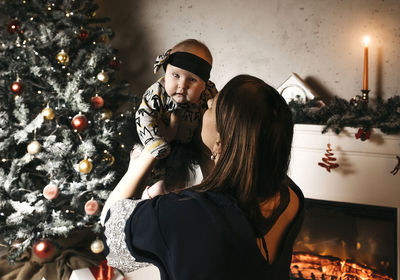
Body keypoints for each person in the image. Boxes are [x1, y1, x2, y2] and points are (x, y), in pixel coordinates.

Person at [101, 75, 304, 280]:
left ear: (220, 143)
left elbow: (111, 233)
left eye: (213, 107)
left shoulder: (189, 212)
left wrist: (152, 147)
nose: (207, 101)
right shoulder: (291, 196)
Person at [134, 39, 217, 192]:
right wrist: (155, 142)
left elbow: (217, 110)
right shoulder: (158, 92)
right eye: (175, 75)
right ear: (166, 72)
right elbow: (143, 115)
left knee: (177, 182)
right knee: (145, 173)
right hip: (155, 140)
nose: (182, 85)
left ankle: (172, 199)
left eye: (192, 79)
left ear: (205, 84)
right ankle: (142, 196)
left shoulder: (208, 94)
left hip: (186, 146)